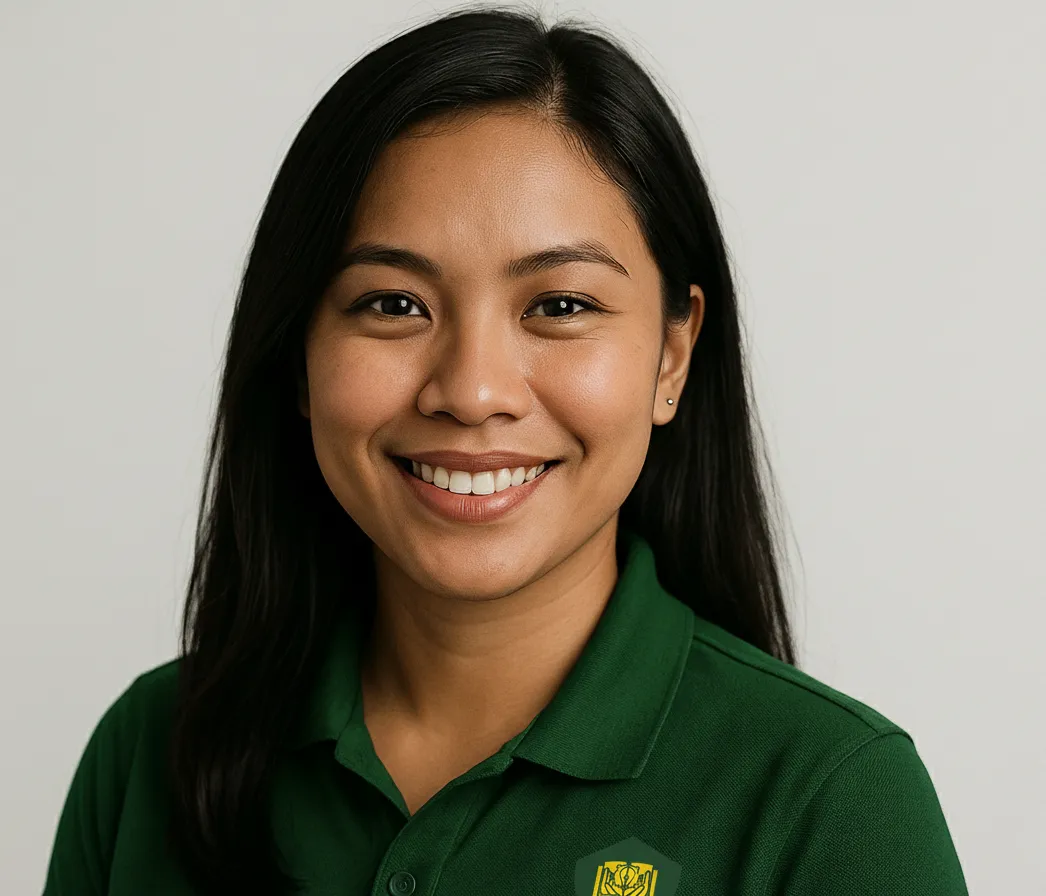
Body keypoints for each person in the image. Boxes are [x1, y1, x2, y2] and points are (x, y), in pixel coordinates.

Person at [42, 5, 969, 895]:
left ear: (672, 355)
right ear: (298, 353)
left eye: (560, 306)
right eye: (393, 304)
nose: (473, 391)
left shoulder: (832, 800)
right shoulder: (149, 752)